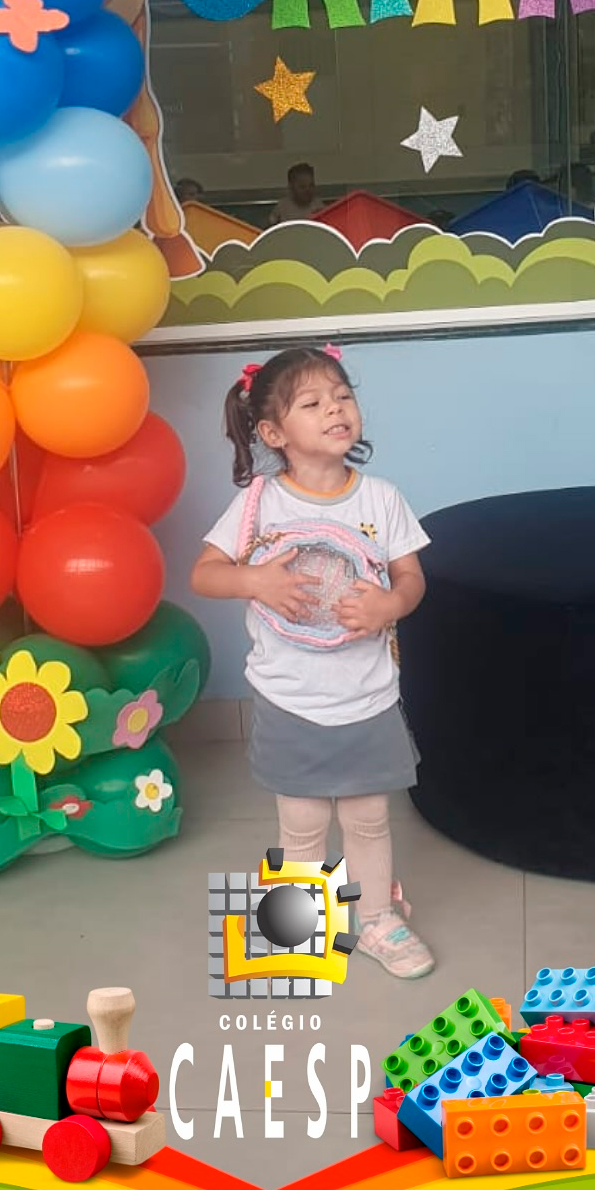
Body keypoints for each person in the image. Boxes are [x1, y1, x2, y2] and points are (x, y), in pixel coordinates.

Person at [190, 346, 435, 979]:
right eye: (313, 402)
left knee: (368, 816)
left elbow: (411, 577)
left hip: (367, 695)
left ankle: (377, 918)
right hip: (289, 695)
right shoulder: (260, 503)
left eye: (343, 396)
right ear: (274, 433)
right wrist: (254, 581)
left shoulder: (380, 498)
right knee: (301, 819)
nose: (335, 409)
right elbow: (205, 574)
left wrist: (390, 603)